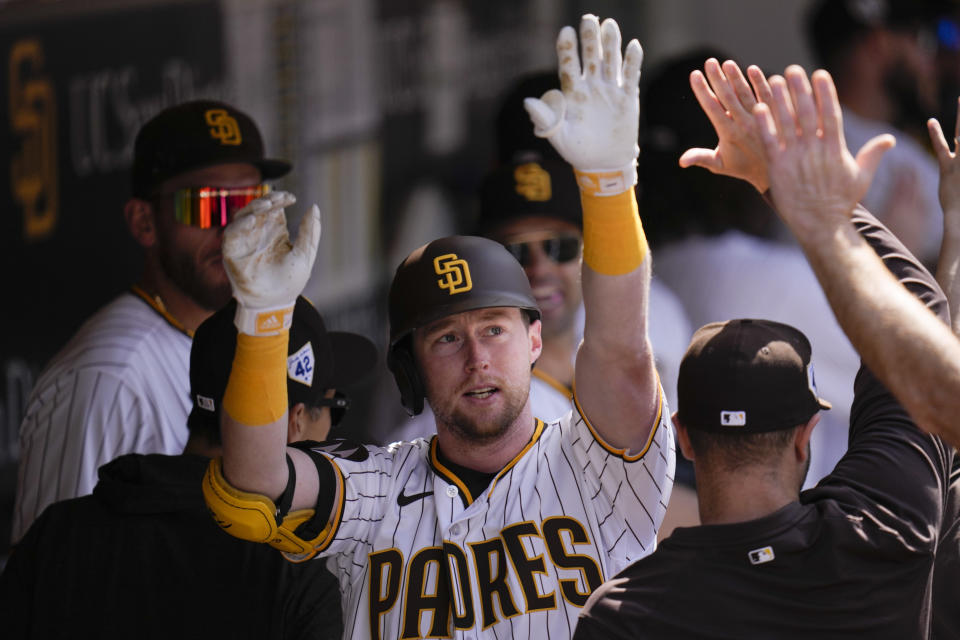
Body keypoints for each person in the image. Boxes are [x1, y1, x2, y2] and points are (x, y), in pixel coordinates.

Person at [202, 15, 674, 638]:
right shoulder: (371, 492)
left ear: (534, 339)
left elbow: (619, 353)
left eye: (495, 330)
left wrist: (610, 186)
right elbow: (255, 480)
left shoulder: (595, 465)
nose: (476, 357)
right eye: (447, 338)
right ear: (411, 366)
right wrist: (263, 326)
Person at [573, 61, 954, 638]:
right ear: (806, 436)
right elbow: (922, 329)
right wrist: (808, 200)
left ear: (682, 439)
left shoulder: (623, 614)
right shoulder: (884, 531)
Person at [0, 295, 376, 638]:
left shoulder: (57, 536)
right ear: (294, 422)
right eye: (333, 409)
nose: (331, 432)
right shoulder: (302, 572)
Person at [11, 100, 291, 544]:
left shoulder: (254, 340)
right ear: (144, 222)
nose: (234, 229)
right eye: (208, 207)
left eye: (249, 205)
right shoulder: (108, 378)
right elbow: (56, 583)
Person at [805, 0, 943, 264]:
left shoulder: (797, 135)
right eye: (921, 39)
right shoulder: (898, 161)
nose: (931, 62)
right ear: (878, 44)